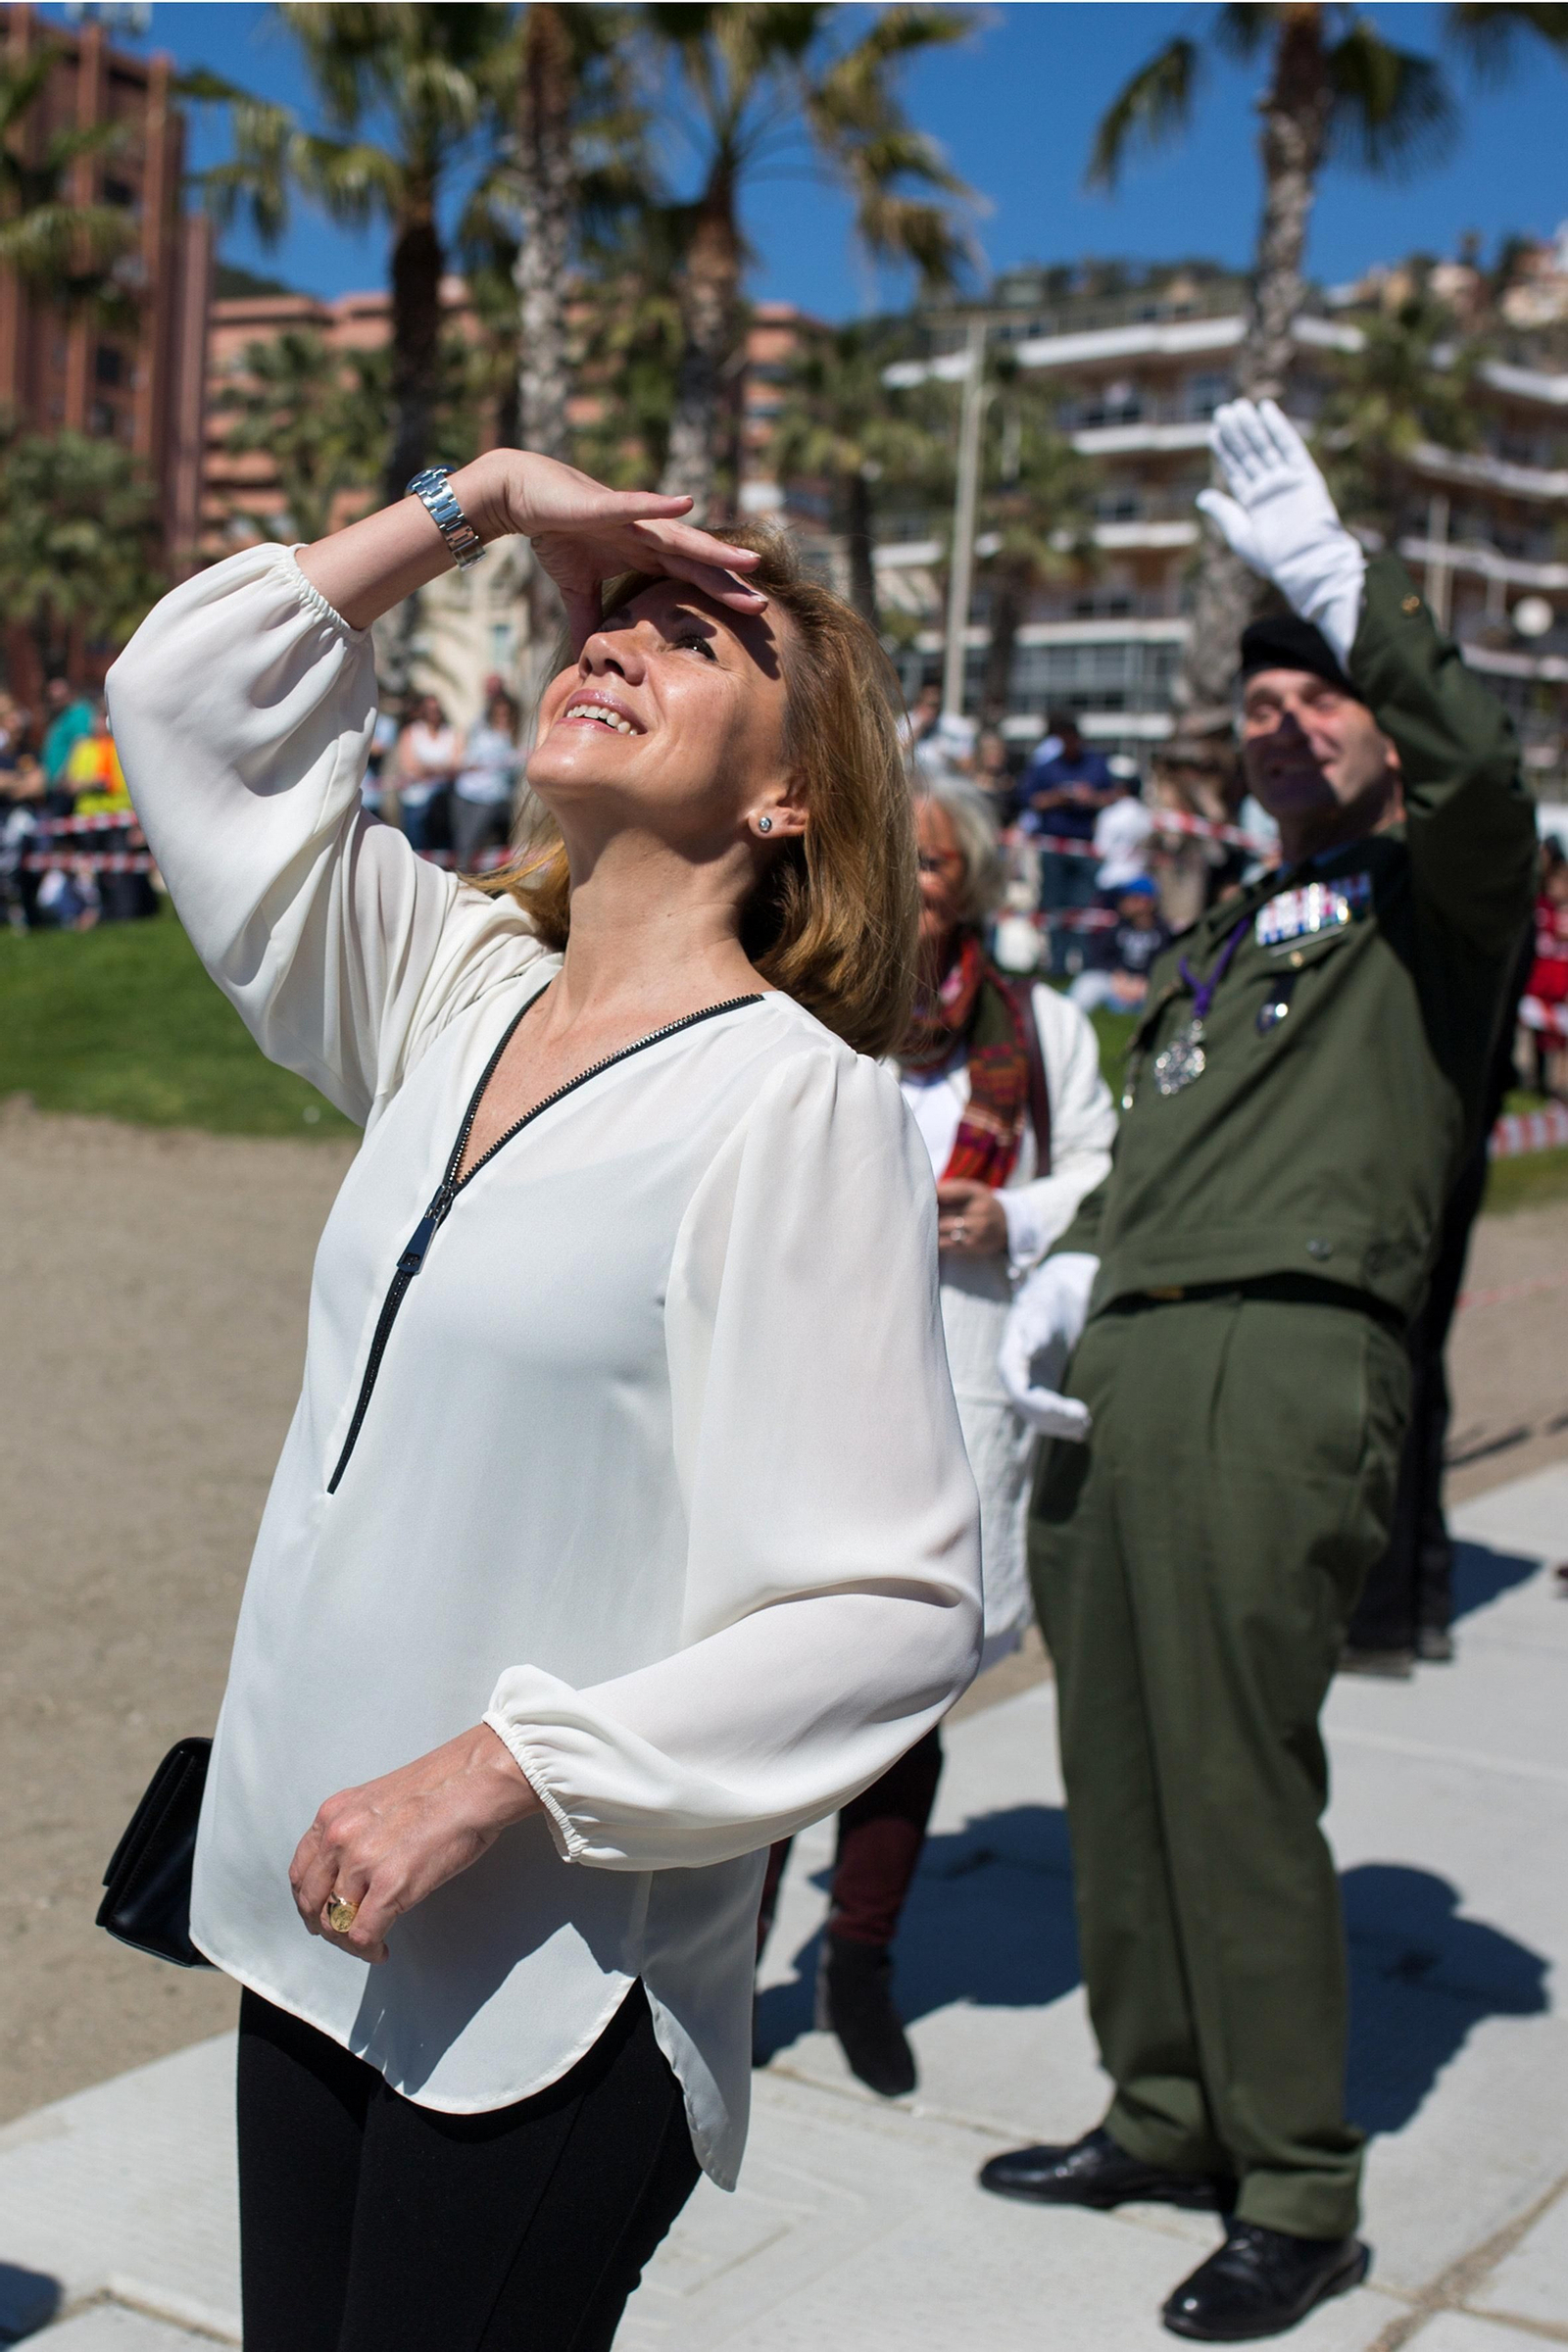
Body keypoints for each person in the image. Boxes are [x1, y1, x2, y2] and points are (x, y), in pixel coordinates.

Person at [107, 448, 982, 2352]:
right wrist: (482, 502)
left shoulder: (792, 1102)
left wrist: (505, 1772)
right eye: (611, 615)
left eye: (694, 637)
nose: (616, 641)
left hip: (545, 1992)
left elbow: (901, 1604)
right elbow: (178, 701)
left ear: (784, 794)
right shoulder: (449, 982)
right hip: (311, 1921)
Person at [984, 401, 1536, 2343]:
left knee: (1227, 1776)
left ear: (1377, 717)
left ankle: (1292, 2184)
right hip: (1133, 1359)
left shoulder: (1433, 906)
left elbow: (1487, 780)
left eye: (1319, 690)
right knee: (1115, 1762)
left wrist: (1336, 582)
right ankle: (1157, 2108)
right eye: (1260, 694)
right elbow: (1152, 1144)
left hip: (1283, 1353)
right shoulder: (1217, 931)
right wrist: (1069, 1268)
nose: (1282, 716)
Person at [755, 778, 1116, 2097]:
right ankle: (723, 1960)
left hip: (955, 1394)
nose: (910, 879)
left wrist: (1011, 1221)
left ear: (972, 882)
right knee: (771, 1691)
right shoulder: (799, 996)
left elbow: (1102, 1167)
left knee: (905, 1702)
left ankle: (860, 1961)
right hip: (804, 1387)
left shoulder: (1039, 1029)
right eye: (890, 857)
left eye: (934, 862)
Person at [1068, 875, 1171, 1015]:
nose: (1124, 903)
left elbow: (1167, 963)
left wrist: (1145, 981)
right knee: (1088, 983)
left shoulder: (1163, 932)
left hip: (1146, 986)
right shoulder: (1117, 926)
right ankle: (1070, 1016)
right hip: (1117, 982)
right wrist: (1117, 975)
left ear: (1147, 902)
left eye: (1131, 899)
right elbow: (1100, 958)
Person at [451, 687, 521, 870]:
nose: (502, 715)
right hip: (466, 792)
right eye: (498, 711)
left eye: (505, 712)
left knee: (471, 844)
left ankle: (465, 881)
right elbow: (466, 751)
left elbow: (515, 767)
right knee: (463, 843)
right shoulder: (479, 726)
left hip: (490, 798)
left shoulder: (514, 734)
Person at [391, 691, 460, 852]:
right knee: (417, 848)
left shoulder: (450, 733)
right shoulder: (411, 732)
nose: (433, 714)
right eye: (429, 710)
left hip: (442, 802)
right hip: (415, 800)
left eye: (436, 710)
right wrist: (439, 769)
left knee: (442, 850)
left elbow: (456, 765)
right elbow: (408, 766)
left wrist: (427, 769)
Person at [1091, 762, 1153, 900]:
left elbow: (1100, 851)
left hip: (1112, 881)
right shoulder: (1145, 815)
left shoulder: (1109, 815)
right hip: (1139, 878)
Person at [904, 678, 976, 782]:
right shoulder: (905, 722)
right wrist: (920, 728)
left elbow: (968, 767)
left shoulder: (957, 726)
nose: (931, 710)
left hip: (946, 785)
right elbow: (897, 755)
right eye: (927, 704)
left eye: (935, 705)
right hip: (913, 783)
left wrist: (949, 757)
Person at [40, 676, 94, 798]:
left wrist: (64, 775)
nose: (56, 701)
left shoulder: (79, 713)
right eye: (52, 698)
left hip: (67, 785)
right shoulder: (59, 717)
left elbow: (80, 744)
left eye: (60, 697)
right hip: (54, 785)